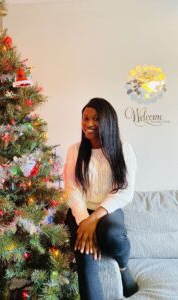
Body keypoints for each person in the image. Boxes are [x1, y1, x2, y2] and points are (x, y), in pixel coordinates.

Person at [63, 98, 138, 300]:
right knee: (85, 258)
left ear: (108, 121)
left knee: (112, 233)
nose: (89, 124)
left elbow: (124, 191)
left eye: (95, 118)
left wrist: (93, 220)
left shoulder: (123, 150)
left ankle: (123, 268)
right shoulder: (74, 150)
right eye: (85, 118)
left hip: (108, 210)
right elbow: (71, 189)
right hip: (79, 211)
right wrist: (82, 221)